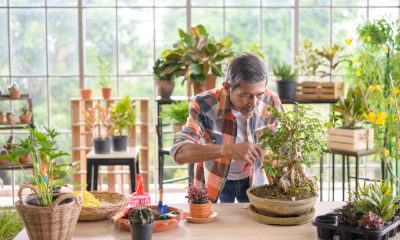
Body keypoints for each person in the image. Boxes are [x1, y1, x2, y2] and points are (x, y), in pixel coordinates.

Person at [170, 52, 283, 203]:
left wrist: (302, 173)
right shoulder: (204, 104)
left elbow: (284, 143)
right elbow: (178, 151)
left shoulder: (271, 100)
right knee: (216, 226)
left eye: (259, 95)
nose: (254, 103)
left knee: (254, 225)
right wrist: (227, 149)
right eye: (245, 95)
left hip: (254, 180)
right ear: (227, 88)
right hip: (214, 183)